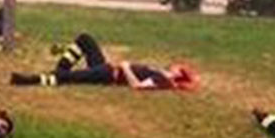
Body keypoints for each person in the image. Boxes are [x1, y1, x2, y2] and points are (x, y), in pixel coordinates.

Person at [10, 34, 198, 91]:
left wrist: (126, 68)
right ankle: (58, 72)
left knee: (68, 79)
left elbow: (138, 87)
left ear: (178, 74)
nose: (174, 65)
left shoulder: (162, 80)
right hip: (107, 68)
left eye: (178, 67)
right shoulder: (161, 72)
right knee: (85, 40)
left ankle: (28, 80)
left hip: (109, 75)